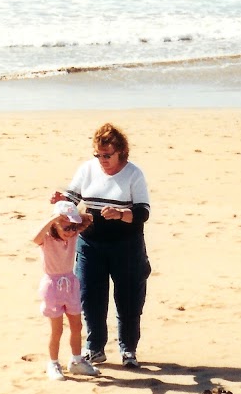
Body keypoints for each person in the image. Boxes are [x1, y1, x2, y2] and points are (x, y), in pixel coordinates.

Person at [51, 122, 151, 369]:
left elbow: (142, 212)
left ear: (121, 152)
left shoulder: (133, 174)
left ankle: (128, 349)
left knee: (128, 300)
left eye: (107, 155)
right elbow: (73, 199)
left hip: (126, 246)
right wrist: (62, 200)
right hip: (90, 244)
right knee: (90, 298)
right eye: (98, 154)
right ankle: (95, 349)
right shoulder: (87, 169)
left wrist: (120, 214)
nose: (102, 160)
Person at [32, 200, 101, 381]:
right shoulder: (46, 239)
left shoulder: (73, 235)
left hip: (71, 284)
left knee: (76, 326)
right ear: (55, 224)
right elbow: (34, 238)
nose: (70, 232)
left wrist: (78, 218)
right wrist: (53, 218)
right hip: (53, 286)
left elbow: (87, 221)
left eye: (73, 227)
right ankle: (53, 363)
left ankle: (77, 361)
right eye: (66, 227)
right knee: (57, 330)